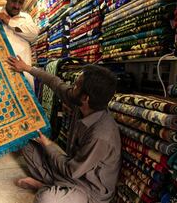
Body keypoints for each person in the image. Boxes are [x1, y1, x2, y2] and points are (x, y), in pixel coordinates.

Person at [7, 55, 121, 203]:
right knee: (25, 143)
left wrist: (48, 145)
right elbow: (55, 82)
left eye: (76, 85)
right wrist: (27, 68)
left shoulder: (101, 135)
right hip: (70, 169)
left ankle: (46, 187)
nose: (72, 86)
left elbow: (72, 171)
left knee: (45, 199)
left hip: (88, 189)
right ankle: (53, 186)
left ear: (85, 98)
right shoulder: (79, 102)